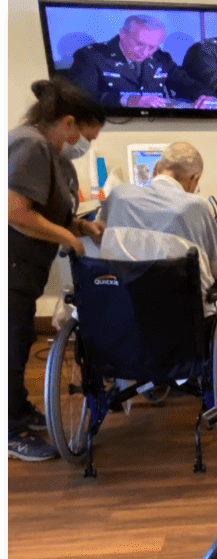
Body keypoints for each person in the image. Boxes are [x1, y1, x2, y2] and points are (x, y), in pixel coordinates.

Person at [8, 77, 106, 461]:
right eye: (87, 136)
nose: (85, 146)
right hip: (13, 263)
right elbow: (16, 211)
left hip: (25, 267)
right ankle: (11, 430)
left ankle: (18, 411)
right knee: (11, 345)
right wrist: (70, 239)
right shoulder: (30, 144)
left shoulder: (53, 154)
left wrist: (81, 225)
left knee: (18, 340)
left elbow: (52, 209)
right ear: (68, 123)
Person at [100, 142, 217, 316]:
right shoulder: (195, 207)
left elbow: (98, 239)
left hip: (122, 314)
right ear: (195, 179)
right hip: (180, 318)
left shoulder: (118, 196)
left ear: (156, 168)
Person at [65, 15, 215, 109]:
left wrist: (206, 97)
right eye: (139, 44)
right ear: (123, 34)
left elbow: (189, 84)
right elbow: (80, 98)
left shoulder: (161, 59)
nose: (145, 52)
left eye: (152, 46)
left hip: (161, 124)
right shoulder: (92, 55)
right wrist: (129, 100)